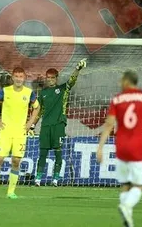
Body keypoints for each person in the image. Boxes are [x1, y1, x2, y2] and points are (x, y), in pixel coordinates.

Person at [96, 70, 142, 227]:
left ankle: (128, 219)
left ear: (126, 81)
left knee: (125, 184)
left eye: (121, 80)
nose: (119, 82)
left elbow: (109, 124)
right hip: (138, 147)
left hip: (121, 147)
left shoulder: (117, 99)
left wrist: (100, 147)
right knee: (139, 185)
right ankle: (127, 206)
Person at [0, 67, 40, 199]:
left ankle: (11, 192)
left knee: (16, 161)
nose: (18, 79)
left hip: (20, 133)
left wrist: (29, 124)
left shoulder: (29, 93)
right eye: (16, 76)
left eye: (21, 76)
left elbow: (37, 107)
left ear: (24, 78)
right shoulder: (5, 91)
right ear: (12, 78)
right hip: (5, 131)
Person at [34, 58, 87, 187]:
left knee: (58, 151)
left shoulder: (63, 89)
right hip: (45, 125)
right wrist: (32, 124)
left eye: (52, 78)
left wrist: (77, 69)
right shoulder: (43, 93)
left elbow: (71, 80)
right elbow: (39, 111)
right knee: (43, 152)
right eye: (48, 78)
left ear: (56, 78)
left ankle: (56, 179)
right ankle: (38, 178)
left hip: (58, 124)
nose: (50, 80)